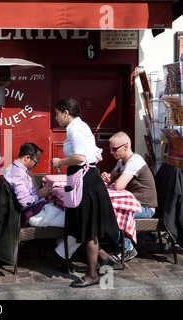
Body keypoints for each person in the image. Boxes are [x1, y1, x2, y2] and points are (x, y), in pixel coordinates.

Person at [51, 98, 120, 288]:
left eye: (57, 113)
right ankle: (105, 258)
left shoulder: (75, 129)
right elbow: (98, 154)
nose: (55, 118)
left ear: (66, 112)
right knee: (87, 227)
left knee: (88, 230)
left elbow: (80, 158)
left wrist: (60, 162)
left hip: (85, 182)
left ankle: (92, 275)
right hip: (89, 180)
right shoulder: (82, 127)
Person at [4, 142, 81, 262]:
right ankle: (59, 254)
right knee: (81, 223)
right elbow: (25, 202)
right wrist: (40, 194)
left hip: (40, 211)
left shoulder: (16, 170)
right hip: (37, 214)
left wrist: (41, 194)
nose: (35, 165)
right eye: (36, 162)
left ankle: (59, 246)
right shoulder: (18, 175)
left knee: (77, 219)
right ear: (27, 158)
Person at [101, 131, 158, 261]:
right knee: (105, 211)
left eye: (114, 149)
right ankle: (121, 244)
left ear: (126, 146)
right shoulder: (122, 161)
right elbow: (112, 177)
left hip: (145, 207)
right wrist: (107, 177)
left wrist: (113, 180)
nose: (111, 152)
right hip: (133, 203)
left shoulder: (135, 161)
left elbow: (119, 185)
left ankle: (127, 248)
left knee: (108, 215)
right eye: (110, 149)